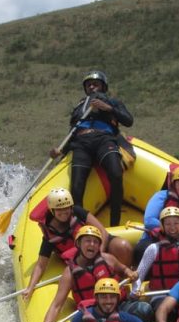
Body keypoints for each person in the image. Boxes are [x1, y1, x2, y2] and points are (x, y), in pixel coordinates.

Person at [34, 225, 152, 322]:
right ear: (78, 244)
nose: (92, 245)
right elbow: (56, 305)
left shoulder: (107, 259)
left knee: (144, 310)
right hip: (95, 314)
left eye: (95, 242)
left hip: (119, 306)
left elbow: (124, 269)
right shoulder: (70, 272)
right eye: (87, 241)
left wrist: (130, 273)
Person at [51, 71, 133, 227]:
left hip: (104, 139)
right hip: (81, 143)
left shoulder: (113, 102)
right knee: (76, 186)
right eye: (88, 84)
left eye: (95, 84)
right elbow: (72, 132)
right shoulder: (79, 107)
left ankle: (115, 223)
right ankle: (79, 226)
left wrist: (108, 108)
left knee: (116, 173)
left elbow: (128, 120)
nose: (92, 86)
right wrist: (60, 150)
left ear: (103, 86)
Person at [24, 188, 132, 300]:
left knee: (123, 246)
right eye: (59, 209)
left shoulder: (77, 212)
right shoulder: (50, 235)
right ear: (52, 210)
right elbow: (41, 265)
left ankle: (124, 281)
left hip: (98, 245)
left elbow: (102, 232)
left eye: (66, 208)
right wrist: (30, 287)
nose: (64, 212)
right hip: (81, 258)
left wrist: (99, 254)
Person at [131, 207, 179, 313]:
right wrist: (135, 290)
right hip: (161, 295)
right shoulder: (154, 248)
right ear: (162, 226)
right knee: (169, 311)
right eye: (168, 224)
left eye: (176, 223)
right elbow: (139, 274)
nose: (172, 227)